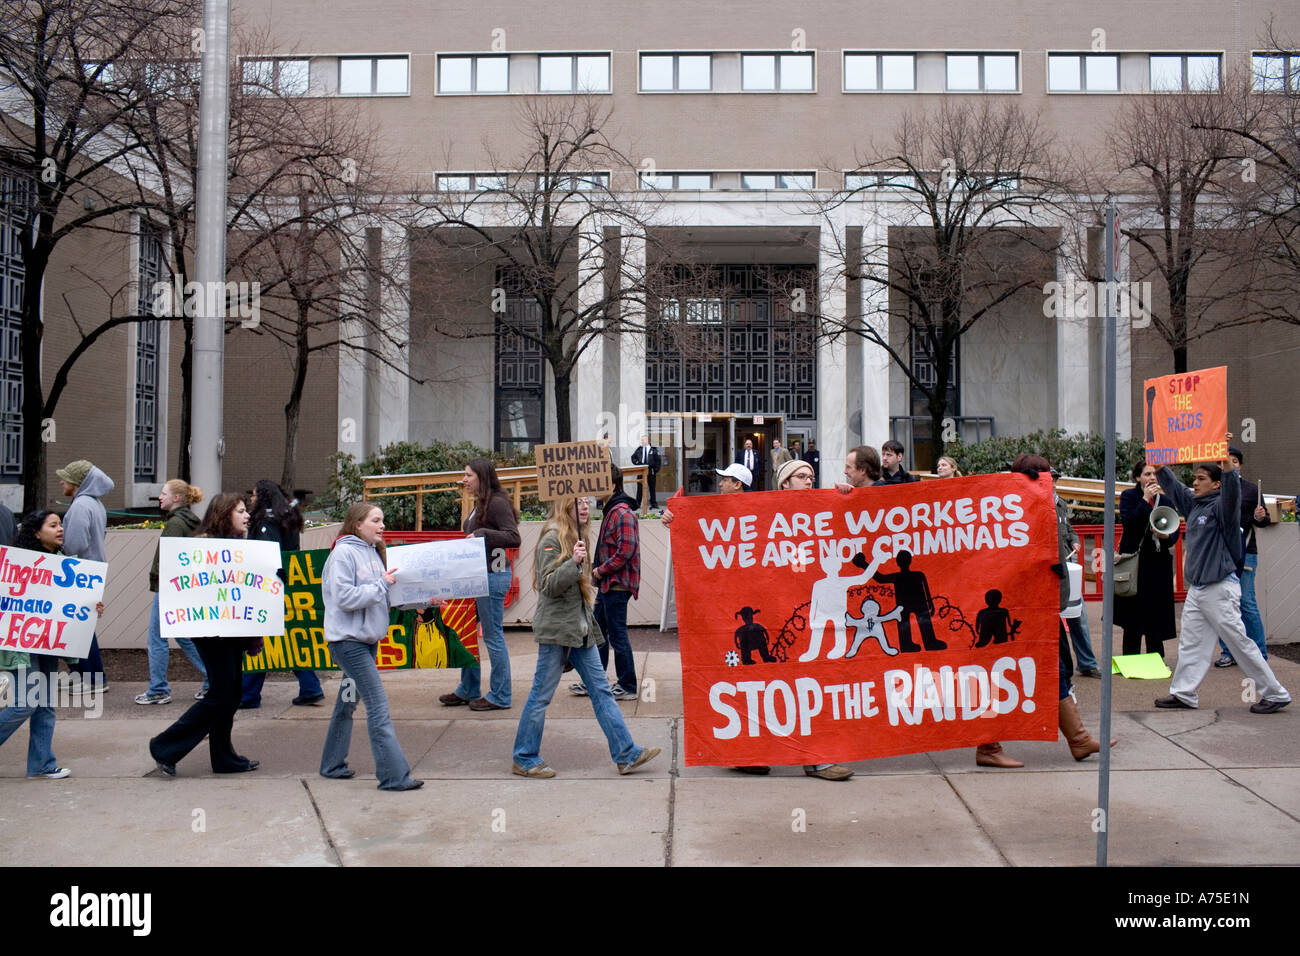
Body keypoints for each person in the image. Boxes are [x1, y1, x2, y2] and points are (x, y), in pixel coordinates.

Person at [511, 496, 661, 778]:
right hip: (557, 630)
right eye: (577, 502)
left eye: (587, 502)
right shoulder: (553, 536)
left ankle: (625, 753)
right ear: (564, 505)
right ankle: (524, 757)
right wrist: (573, 562)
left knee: (601, 690)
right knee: (541, 696)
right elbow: (547, 585)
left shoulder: (579, 538)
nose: (585, 507)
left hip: (579, 628)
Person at [1153, 461, 1290, 714]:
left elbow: (1232, 494)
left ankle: (1275, 693)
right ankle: (1184, 693)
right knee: (1191, 643)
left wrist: (1228, 468)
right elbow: (1174, 487)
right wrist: (1161, 468)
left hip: (1220, 588)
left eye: (1201, 478)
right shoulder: (1193, 504)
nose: (1195, 482)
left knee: (1239, 642)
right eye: (1194, 478)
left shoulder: (1222, 507)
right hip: (1199, 589)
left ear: (1216, 484)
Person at [149, 494, 261, 776]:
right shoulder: (204, 546)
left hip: (232, 631)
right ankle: (164, 746)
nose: (246, 515)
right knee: (222, 695)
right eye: (240, 511)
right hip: (211, 633)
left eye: (246, 511)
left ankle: (224, 758)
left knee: (232, 694)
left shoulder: (238, 545)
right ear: (224, 514)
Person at [1010, 454, 1112, 761]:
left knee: (1054, 667)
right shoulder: (1014, 507)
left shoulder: (1049, 503)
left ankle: (1078, 739)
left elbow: (1059, 541)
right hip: (1025, 604)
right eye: (1043, 475)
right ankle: (990, 744)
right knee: (1036, 669)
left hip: (1045, 599)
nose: (1050, 480)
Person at [318, 503, 424, 790]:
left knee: (347, 703)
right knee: (378, 705)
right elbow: (345, 598)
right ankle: (393, 777)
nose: (382, 525)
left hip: (364, 641)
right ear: (357, 523)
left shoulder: (372, 552)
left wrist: (421, 603)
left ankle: (331, 764)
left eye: (383, 520)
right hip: (348, 643)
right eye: (376, 520)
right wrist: (381, 584)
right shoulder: (343, 554)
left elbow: (386, 596)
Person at [773, 457, 856, 781]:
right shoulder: (763, 514)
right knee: (773, 688)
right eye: (801, 476)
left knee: (814, 687)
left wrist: (851, 495)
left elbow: (858, 520)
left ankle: (817, 758)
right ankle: (749, 755)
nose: (809, 481)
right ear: (785, 483)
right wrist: (674, 517)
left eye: (811, 476)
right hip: (781, 615)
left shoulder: (823, 511)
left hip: (811, 618)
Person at [0, 511, 99, 779]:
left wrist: (91, 606)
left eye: (61, 524)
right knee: (25, 704)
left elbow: (69, 607)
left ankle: (41, 765)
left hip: (48, 645)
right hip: (21, 646)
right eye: (53, 525)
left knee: (44, 703)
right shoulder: (15, 566)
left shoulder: (68, 566)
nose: (61, 529)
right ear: (35, 532)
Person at [440, 458, 520, 711]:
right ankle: (469, 688)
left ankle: (501, 695)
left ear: (482, 477)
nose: (464, 479)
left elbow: (513, 537)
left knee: (493, 636)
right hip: (478, 576)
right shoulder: (483, 503)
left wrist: (482, 534)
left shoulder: (496, 503)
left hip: (491, 577)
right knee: (463, 630)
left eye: (468, 475)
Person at [240, 480, 324, 708]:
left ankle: (248, 694)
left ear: (264, 497)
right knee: (287, 637)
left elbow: (267, 552)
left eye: (255, 495)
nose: (251, 499)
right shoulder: (287, 517)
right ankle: (310, 688)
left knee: (260, 637)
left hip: (267, 587)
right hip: (288, 586)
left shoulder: (267, 521)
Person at [135, 480, 209, 706]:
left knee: (157, 639)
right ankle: (212, 678)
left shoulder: (175, 524)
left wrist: (159, 581)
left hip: (168, 588)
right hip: (182, 588)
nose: (160, 497)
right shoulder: (190, 521)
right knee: (185, 636)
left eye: (164, 493)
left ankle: (158, 689)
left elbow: (168, 559)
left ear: (176, 498)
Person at [571, 463, 641, 701]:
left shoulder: (621, 512)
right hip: (610, 583)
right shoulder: (613, 510)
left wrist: (599, 570)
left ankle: (628, 685)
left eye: (599, 482)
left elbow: (626, 551)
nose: (593, 488)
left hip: (616, 584)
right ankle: (596, 680)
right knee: (598, 632)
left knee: (616, 634)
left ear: (611, 485)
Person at [1115, 461, 1179, 660]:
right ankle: (1131, 658)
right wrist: (1145, 500)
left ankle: (1156, 658)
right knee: (1132, 614)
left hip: (1157, 564)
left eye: (1154, 474)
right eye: (1147, 474)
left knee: (1155, 612)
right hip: (1135, 562)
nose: (1152, 478)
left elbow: (1174, 531)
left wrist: (1166, 537)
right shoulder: (1129, 497)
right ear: (1137, 477)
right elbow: (1130, 522)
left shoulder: (1166, 501)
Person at [57, 459, 112, 691]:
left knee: (80, 628)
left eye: (66, 478)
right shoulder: (95, 504)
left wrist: (59, 547)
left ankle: (92, 679)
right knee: (81, 625)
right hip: (91, 571)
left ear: (78, 483)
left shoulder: (80, 506)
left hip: (78, 572)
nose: (62, 482)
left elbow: (74, 544)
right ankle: (82, 675)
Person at [1215, 446, 1270, 668]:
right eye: (1224, 462)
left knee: (1246, 602)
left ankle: (1259, 653)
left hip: (1246, 551)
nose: (1229, 464)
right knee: (1222, 604)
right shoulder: (1215, 489)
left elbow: (1263, 521)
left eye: (1234, 461)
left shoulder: (1250, 490)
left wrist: (1260, 516)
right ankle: (1228, 652)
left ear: (1240, 464)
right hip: (1220, 553)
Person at [1053, 469, 1100, 677]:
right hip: (1052, 566)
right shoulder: (1038, 503)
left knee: (1077, 613)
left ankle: (1087, 662)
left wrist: (1074, 539)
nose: (1052, 483)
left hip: (1066, 564)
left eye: (1054, 479)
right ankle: (1065, 665)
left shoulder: (1060, 503)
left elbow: (1068, 529)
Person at [631, 435, 661, 511]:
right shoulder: (639, 449)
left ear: (648, 441)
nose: (642, 441)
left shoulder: (653, 449)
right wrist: (637, 463)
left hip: (650, 471)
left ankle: (653, 503)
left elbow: (658, 460)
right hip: (641, 471)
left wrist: (656, 470)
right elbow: (633, 457)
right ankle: (638, 504)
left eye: (643, 440)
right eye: (641, 440)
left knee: (652, 488)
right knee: (640, 488)